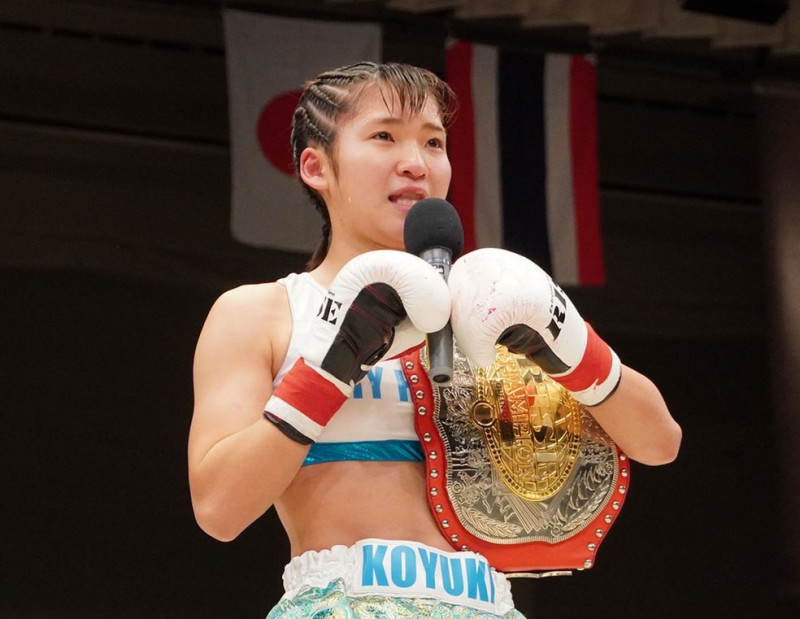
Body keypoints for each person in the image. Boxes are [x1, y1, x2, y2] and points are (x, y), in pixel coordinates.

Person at [188, 61, 682, 617]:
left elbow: (659, 442)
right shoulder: (264, 312)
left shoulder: (495, 302)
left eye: (433, 142)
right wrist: (330, 369)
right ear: (315, 166)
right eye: (384, 136)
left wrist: (569, 340)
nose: (415, 163)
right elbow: (219, 508)